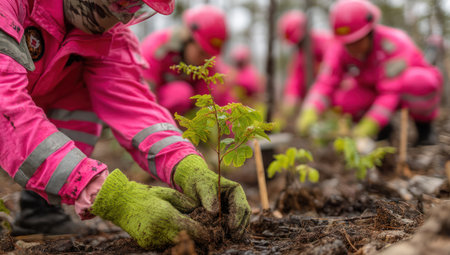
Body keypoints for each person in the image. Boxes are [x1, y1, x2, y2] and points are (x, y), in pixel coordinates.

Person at [0, 0, 250, 249]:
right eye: (119, 2)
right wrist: (103, 191)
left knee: (82, 96)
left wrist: (187, 166)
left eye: (134, 8)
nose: (119, 17)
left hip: (37, 101)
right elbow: (5, 108)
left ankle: (40, 208)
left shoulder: (110, 38)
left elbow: (135, 109)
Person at [297, 0, 442, 146]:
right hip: (374, 90)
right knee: (342, 99)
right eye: (348, 43)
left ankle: (424, 131)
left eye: (357, 41)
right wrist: (310, 109)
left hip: (400, 90)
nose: (352, 48)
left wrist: (369, 124)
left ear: (370, 31)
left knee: (419, 82)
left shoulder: (394, 44)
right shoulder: (339, 48)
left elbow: (390, 93)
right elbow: (325, 82)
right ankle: (384, 132)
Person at [140, 5, 236, 115]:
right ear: (188, 37)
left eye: (209, 55)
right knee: (180, 93)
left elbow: (222, 99)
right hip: (155, 111)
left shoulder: (207, 62)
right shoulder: (156, 49)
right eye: (201, 52)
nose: (205, 60)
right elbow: (143, 96)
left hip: (187, 117)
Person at [277, 10, 332, 118]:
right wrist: (291, 97)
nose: (297, 45)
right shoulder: (300, 55)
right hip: (315, 100)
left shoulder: (326, 43)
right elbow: (295, 79)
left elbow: (334, 72)